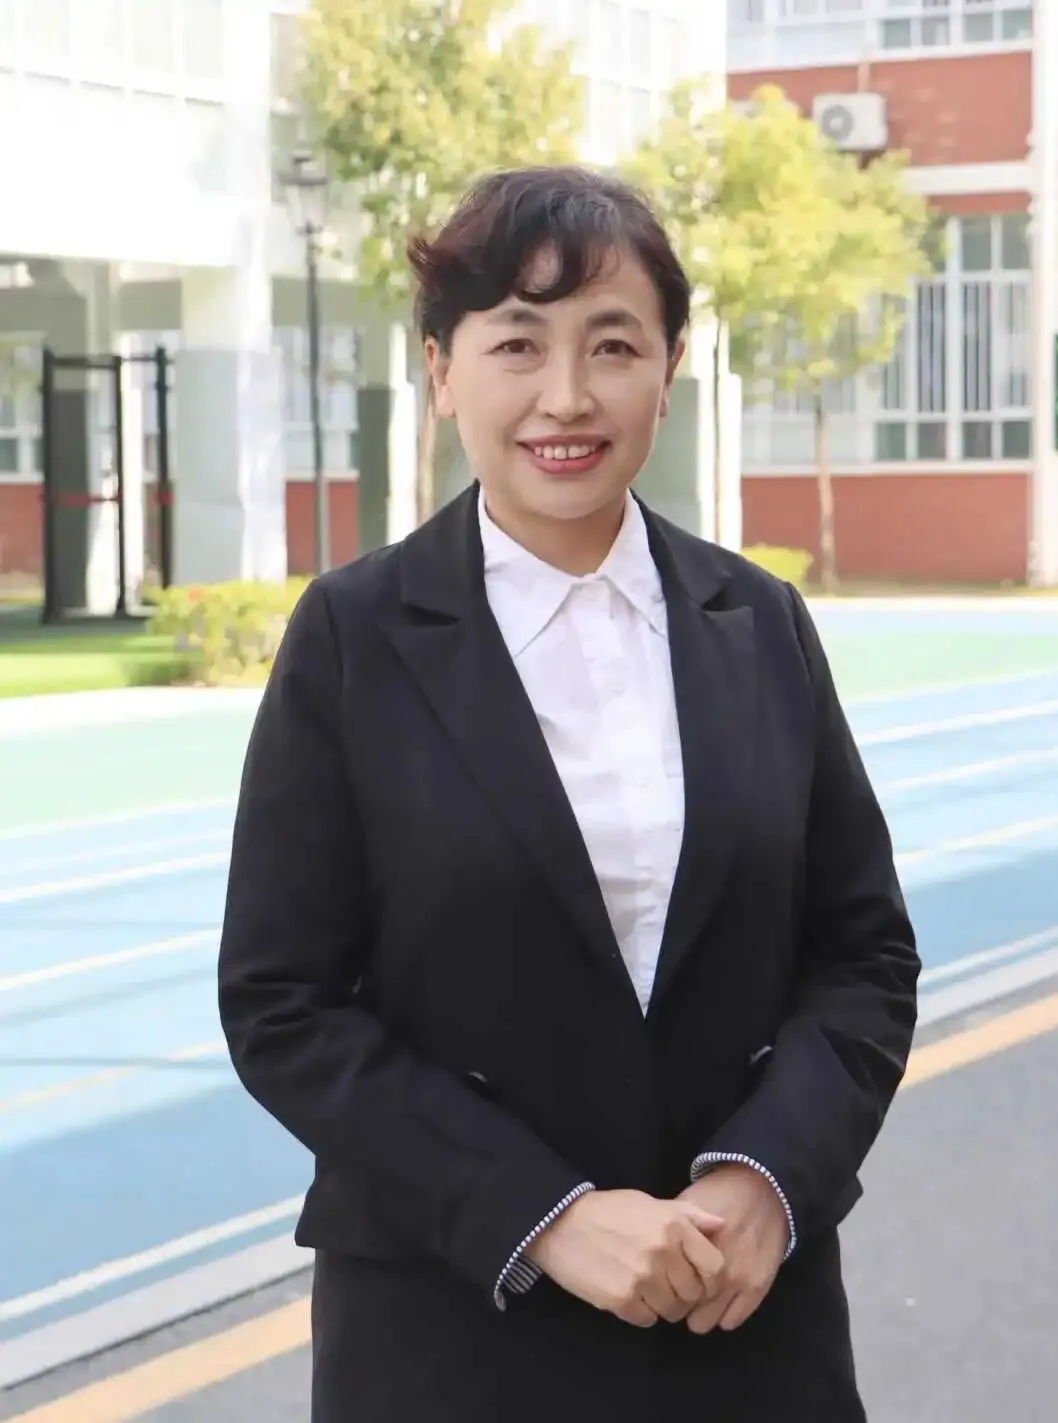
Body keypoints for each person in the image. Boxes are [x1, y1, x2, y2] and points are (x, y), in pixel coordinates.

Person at [217, 165, 920, 1423]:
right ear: (441, 371)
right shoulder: (353, 637)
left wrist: (767, 1175)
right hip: (453, 1334)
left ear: (670, 367)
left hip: (741, 1319)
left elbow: (861, 952)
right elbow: (282, 1002)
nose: (566, 396)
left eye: (612, 344)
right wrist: (546, 1216)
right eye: (516, 343)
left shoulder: (758, 622)